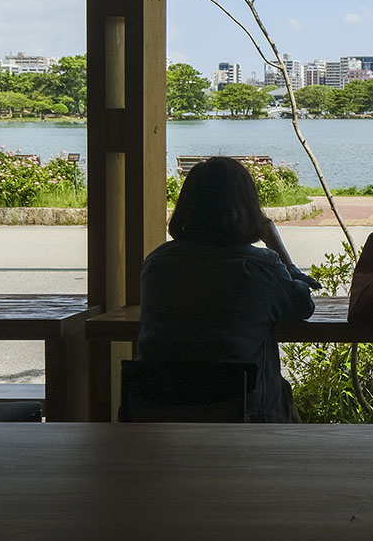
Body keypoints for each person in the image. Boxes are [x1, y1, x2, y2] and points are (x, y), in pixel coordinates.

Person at [137, 156, 321, 422]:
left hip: (159, 415)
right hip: (243, 417)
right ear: (247, 207)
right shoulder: (260, 267)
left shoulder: (156, 263)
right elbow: (303, 305)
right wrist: (276, 246)